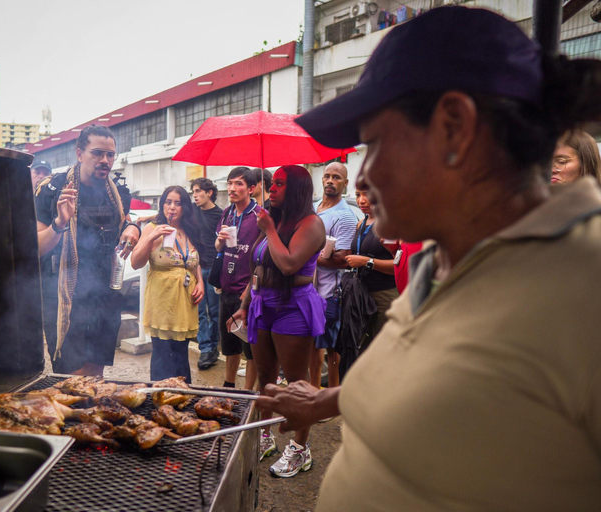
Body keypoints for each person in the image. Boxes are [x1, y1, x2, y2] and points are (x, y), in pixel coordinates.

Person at [257, 6, 601, 510]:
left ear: (454, 127)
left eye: (373, 144)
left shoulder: (585, 285)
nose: (364, 177)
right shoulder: (444, 258)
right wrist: (326, 400)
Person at [230, 165, 326, 478]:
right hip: (262, 304)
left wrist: (269, 229)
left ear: (296, 189)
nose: (272, 188)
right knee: (266, 377)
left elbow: (287, 265)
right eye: (273, 183)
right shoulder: (275, 219)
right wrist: (244, 305)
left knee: (298, 383)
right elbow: (259, 270)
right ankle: (266, 436)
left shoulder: (311, 224)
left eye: (280, 184)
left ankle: (300, 449)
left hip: (293, 307)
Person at [34, 125, 140, 376]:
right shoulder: (52, 190)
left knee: (96, 375)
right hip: (64, 293)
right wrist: (59, 224)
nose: (105, 160)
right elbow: (36, 247)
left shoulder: (118, 192)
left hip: (104, 291)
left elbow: (126, 221)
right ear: (79, 153)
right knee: (71, 377)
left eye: (110, 155)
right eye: (97, 153)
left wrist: (134, 227)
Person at [131, 186, 204, 382]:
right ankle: (161, 397)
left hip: (185, 303)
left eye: (178, 203)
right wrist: (152, 238)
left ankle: (183, 396)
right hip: (162, 302)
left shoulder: (189, 230)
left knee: (181, 354)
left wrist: (201, 283)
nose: (172, 207)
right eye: (168, 202)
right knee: (164, 355)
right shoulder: (152, 228)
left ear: (185, 208)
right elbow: (135, 262)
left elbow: (193, 262)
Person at [309, 161, 358, 390]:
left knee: (331, 346)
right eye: (327, 176)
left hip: (330, 292)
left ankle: (333, 395)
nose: (330, 180)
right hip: (308, 289)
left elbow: (342, 258)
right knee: (313, 344)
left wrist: (308, 256)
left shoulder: (345, 216)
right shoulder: (314, 208)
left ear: (345, 183)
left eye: (336, 177)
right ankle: (314, 390)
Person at [215, 167, 260, 390]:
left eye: (239, 184)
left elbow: (263, 259)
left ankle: (248, 394)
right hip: (227, 287)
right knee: (229, 343)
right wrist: (221, 240)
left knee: (250, 346)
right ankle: (228, 386)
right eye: (230, 183)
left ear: (251, 189)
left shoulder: (260, 216)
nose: (232, 188)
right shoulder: (227, 213)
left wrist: (249, 292)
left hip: (248, 292)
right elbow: (218, 248)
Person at [344, 185, 398, 354]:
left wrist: (367, 261)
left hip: (384, 295)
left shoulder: (390, 224)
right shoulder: (361, 223)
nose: (361, 201)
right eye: (358, 195)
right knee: (362, 350)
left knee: (384, 350)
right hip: (361, 295)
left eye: (367, 195)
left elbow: (399, 264)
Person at [190, 177, 223, 369]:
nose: (195, 195)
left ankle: (212, 348)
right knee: (200, 311)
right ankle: (206, 348)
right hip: (196, 268)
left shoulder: (220, 214)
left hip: (213, 267)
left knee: (214, 312)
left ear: (209, 193)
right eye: (193, 191)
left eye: (198, 191)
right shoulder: (192, 212)